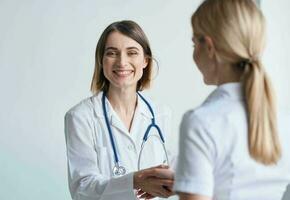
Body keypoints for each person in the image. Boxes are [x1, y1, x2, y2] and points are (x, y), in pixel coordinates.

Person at [173, 0, 290, 200]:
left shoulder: (201, 122)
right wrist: (188, 176)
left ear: (209, 47)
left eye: (195, 43)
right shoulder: (284, 120)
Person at [64, 20, 174, 200]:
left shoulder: (161, 114)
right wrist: (134, 181)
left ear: (145, 61)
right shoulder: (80, 117)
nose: (122, 62)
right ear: (101, 60)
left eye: (132, 53)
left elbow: (170, 170)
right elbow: (82, 190)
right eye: (112, 53)